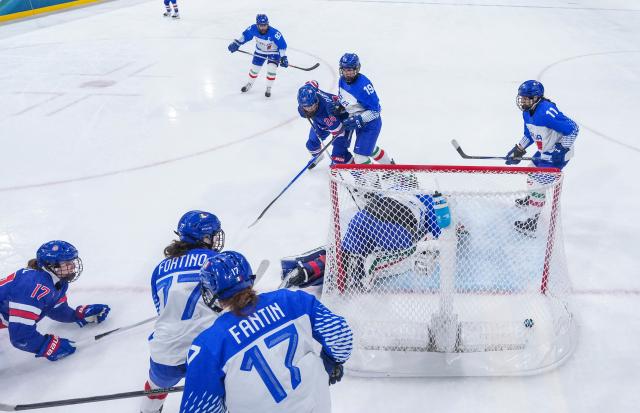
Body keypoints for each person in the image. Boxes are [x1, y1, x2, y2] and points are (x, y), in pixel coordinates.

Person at [180, 251, 352, 413]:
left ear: (211, 293)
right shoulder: (293, 299)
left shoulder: (208, 345)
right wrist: (329, 364)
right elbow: (341, 337)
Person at [140, 210, 226, 413]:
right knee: (224, 389)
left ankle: (148, 409)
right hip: (205, 350)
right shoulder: (216, 261)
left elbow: (162, 309)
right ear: (205, 237)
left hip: (164, 351)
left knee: (155, 389)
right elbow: (226, 305)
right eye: (213, 234)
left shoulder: (160, 268)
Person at [281, 191, 455, 290]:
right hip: (396, 226)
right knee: (411, 250)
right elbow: (439, 236)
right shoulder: (435, 203)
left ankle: (304, 270)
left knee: (344, 256)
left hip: (363, 218)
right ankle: (373, 262)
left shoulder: (399, 190)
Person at [0, 241, 110, 361]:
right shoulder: (32, 286)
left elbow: (56, 309)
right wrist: (47, 346)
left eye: (72, 261)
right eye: (67, 263)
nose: (73, 266)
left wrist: (77, 315)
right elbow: (21, 336)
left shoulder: (56, 282)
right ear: (51, 265)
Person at [504, 80, 579, 235]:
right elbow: (529, 134)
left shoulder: (547, 112)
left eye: (526, 98)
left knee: (537, 184)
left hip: (558, 155)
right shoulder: (527, 112)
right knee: (531, 170)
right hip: (544, 150)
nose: (523, 101)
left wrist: (561, 148)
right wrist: (518, 149)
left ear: (537, 98)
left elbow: (573, 129)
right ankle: (531, 198)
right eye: (521, 98)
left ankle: (531, 223)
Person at [337, 53, 394, 165]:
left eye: (351, 70)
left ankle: (374, 182)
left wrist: (359, 119)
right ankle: (390, 167)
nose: (347, 73)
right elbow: (345, 99)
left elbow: (376, 111)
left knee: (360, 158)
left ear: (357, 69)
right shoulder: (341, 80)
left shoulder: (364, 86)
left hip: (370, 124)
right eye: (345, 70)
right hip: (358, 121)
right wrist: (339, 106)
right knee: (370, 148)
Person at [227, 14, 287, 97]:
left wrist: (283, 57)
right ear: (257, 25)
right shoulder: (253, 28)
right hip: (260, 51)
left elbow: (282, 45)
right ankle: (249, 83)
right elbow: (245, 36)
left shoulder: (275, 33)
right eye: (261, 26)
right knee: (254, 69)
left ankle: (268, 87)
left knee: (271, 69)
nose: (263, 28)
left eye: (265, 25)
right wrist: (237, 43)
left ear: (268, 24)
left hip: (273, 52)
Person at [297, 80, 353, 169]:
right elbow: (313, 82)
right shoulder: (311, 91)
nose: (310, 109)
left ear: (316, 101)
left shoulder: (327, 113)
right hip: (321, 122)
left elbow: (339, 133)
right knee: (311, 145)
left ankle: (358, 172)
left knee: (339, 154)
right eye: (306, 107)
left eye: (311, 106)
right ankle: (318, 156)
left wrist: (337, 152)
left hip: (342, 121)